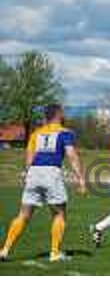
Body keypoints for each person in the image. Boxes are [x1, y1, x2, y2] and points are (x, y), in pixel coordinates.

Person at [0, 104, 85, 262]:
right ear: (58, 114)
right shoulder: (65, 133)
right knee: (59, 213)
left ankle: (4, 250)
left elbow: (29, 158)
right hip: (51, 173)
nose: (64, 115)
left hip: (33, 172)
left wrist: (27, 174)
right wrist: (80, 179)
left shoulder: (36, 134)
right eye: (63, 113)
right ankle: (55, 253)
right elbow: (72, 156)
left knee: (23, 214)